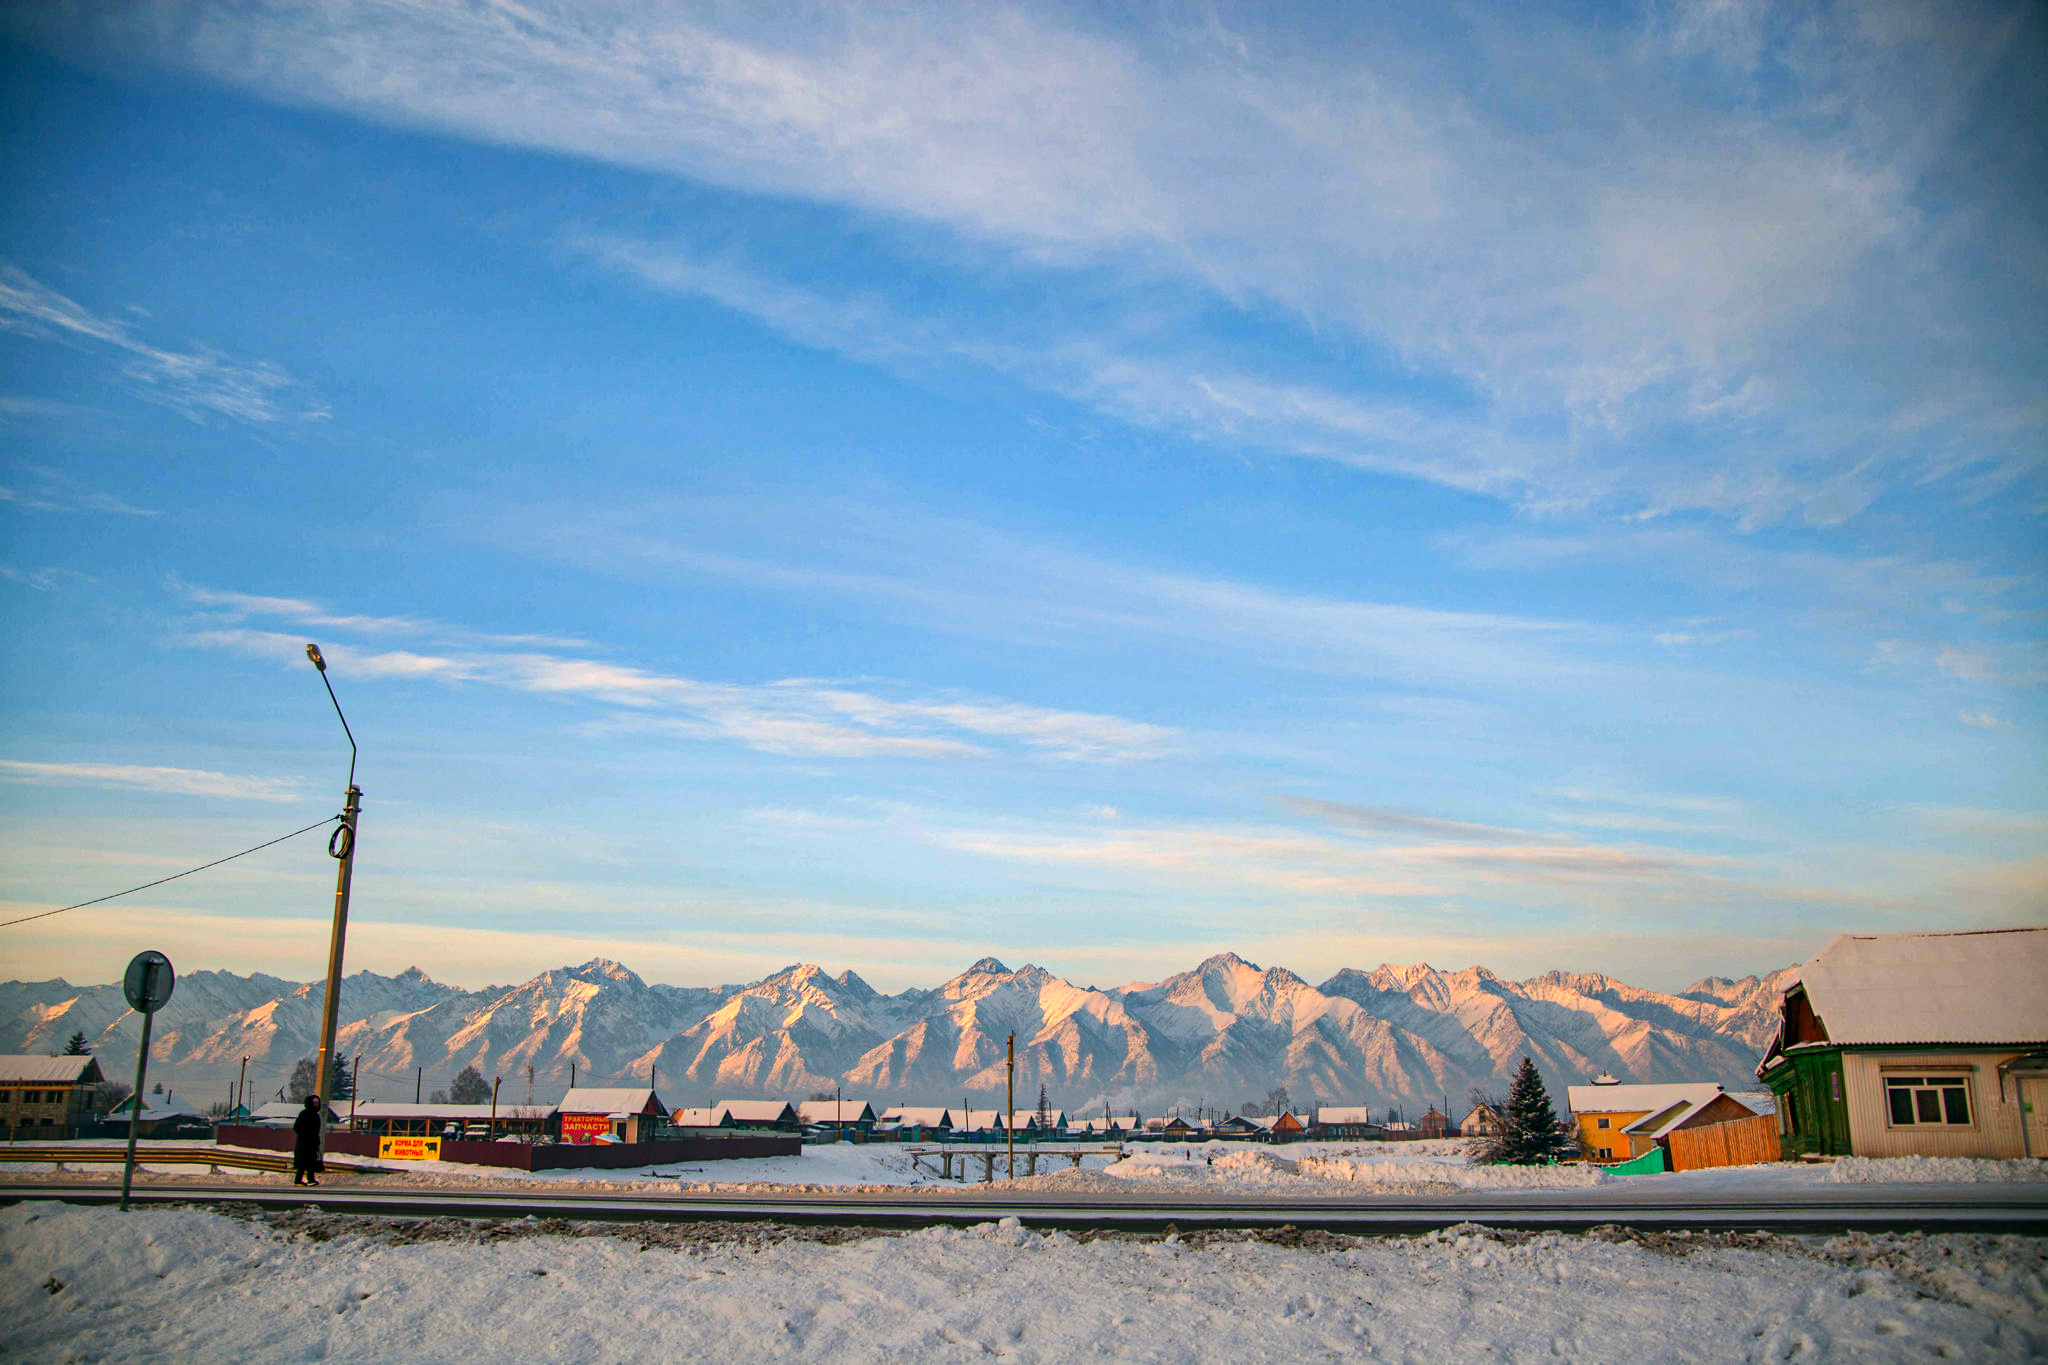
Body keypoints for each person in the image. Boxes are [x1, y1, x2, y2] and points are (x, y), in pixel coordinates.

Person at [292, 1094, 323, 1186]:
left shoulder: (315, 1115)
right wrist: (305, 1136)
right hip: (304, 1143)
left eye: (317, 1102)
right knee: (303, 1161)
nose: (316, 1104)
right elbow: (297, 1127)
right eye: (314, 1102)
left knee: (311, 1161)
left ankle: (311, 1179)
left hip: (313, 1142)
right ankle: (298, 1180)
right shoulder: (304, 1114)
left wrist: (316, 1141)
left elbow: (316, 1130)